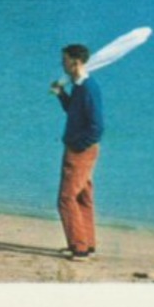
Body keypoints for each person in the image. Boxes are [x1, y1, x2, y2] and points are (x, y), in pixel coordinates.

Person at [50, 42, 103, 260]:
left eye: (65, 60)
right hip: (82, 148)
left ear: (76, 62)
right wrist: (61, 94)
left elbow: (96, 127)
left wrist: (78, 146)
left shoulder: (88, 88)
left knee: (66, 198)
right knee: (82, 197)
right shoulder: (79, 85)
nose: (62, 64)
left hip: (80, 151)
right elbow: (74, 111)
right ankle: (86, 243)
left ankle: (79, 248)